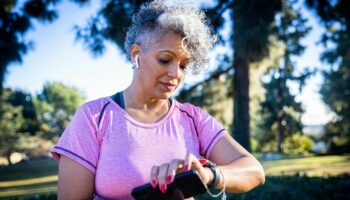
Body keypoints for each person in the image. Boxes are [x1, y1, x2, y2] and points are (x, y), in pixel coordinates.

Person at [51, 0, 265, 199]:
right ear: (136, 55)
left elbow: (253, 171)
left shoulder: (193, 118)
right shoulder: (94, 117)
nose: (176, 73)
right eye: (165, 60)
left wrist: (208, 175)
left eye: (183, 65)